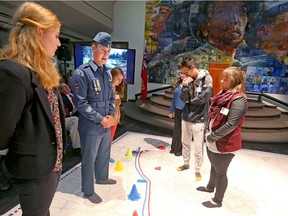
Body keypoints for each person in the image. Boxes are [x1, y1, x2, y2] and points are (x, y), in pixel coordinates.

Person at [0, 2, 66, 215]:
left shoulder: (40, 70)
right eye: (55, 36)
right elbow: (2, 131)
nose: (58, 43)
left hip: (50, 163)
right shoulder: (13, 72)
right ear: (39, 33)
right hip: (33, 168)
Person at [71, 32, 116, 204]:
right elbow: (81, 103)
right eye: (102, 50)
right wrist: (100, 118)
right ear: (93, 48)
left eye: (108, 51)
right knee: (89, 158)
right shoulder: (82, 73)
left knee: (104, 152)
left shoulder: (107, 73)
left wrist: (111, 115)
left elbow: (111, 97)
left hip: (105, 120)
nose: (106, 54)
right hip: (91, 124)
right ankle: (88, 190)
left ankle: (102, 177)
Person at [197, 66, 248, 208]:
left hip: (224, 143)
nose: (221, 81)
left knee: (220, 172)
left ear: (233, 81)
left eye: (225, 79)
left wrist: (212, 136)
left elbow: (231, 124)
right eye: (222, 78)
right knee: (214, 166)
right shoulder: (223, 94)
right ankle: (210, 187)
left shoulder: (239, 100)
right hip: (213, 139)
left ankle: (217, 200)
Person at [176, 55, 213, 182]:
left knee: (198, 147)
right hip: (186, 116)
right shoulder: (187, 79)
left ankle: (197, 169)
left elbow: (204, 98)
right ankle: (186, 163)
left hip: (199, 118)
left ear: (192, 68)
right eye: (182, 73)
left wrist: (189, 100)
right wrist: (185, 85)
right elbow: (182, 98)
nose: (184, 75)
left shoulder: (206, 78)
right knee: (185, 142)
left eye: (185, 72)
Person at [168, 71, 187, 156]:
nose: (182, 75)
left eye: (184, 73)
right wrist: (171, 111)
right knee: (177, 129)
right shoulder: (178, 85)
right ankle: (174, 147)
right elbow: (174, 100)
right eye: (181, 73)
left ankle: (180, 149)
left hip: (185, 110)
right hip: (177, 110)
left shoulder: (190, 86)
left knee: (183, 130)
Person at [59, 83, 81, 155]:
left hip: (70, 117)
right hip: (62, 119)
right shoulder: (62, 98)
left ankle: (77, 147)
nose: (66, 88)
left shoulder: (74, 94)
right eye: (63, 88)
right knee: (75, 119)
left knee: (73, 126)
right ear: (60, 91)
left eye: (66, 86)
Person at [110, 67, 125, 143]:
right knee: (106, 142)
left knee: (110, 139)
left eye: (121, 79)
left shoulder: (116, 90)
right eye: (118, 79)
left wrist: (118, 116)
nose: (120, 81)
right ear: (112, 76)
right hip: (109, 118)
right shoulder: (108, 89)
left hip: (115, 119)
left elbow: (117, 106)